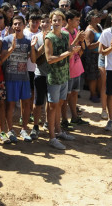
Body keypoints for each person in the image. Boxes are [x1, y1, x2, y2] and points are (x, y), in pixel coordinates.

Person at [44, 10, 77, 149]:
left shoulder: (65, 35)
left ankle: (58, 131)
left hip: (64, 75)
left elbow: (68, 52)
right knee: (52, 106)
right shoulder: (48, 38)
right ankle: (52, 137)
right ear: (51, 22)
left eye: (59, 20)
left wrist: (73, 50)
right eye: (54, 20)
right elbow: (49, 59)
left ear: (63, 22)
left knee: (59, 104)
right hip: (54, 77)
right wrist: (67, 53)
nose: (56, 22)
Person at [0, 15, 33, 143]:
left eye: (20, 24)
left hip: (24, 77)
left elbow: (33, 59)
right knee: (11, 105)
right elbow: (1, 61)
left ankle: (24, 129)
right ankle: (10, 129)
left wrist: (34, 47)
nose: (17, 26)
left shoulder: (28, 42)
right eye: (15, 24)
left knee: (26, 104)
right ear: (12, 26)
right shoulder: (6, 40)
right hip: (10, 78)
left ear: (24, 26)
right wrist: (11, 49)